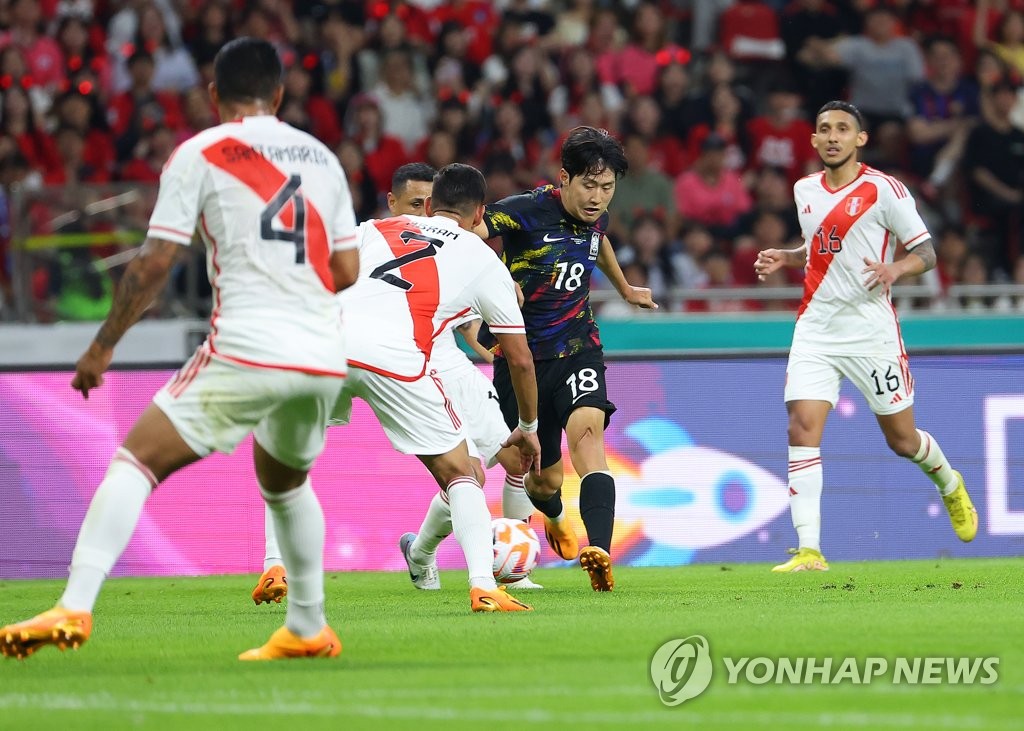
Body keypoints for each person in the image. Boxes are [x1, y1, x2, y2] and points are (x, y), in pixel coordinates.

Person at [0, 38, 361, 661]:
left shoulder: (200, 152)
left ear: (214, 95)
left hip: (248, 346)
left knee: (135, 461)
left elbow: (153, 264)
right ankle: (307, 627)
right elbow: (349, 268)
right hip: (324, 356)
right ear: (279, 95)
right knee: (288, 484)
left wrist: (102, 346)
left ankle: (75, 604)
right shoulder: (324, 158)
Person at [252, 163, 541, 601]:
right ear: (481, 214)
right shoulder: (484, 258)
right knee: (461, 473)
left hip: (324, 344)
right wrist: (529, 428)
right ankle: (484, 586)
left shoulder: (374, 228)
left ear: (429, 205)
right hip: (397, 356)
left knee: (290, 457)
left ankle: (274, 565)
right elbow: (519, 360)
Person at [754, 101, 978, 573]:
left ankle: (949, 483)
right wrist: (787, 257)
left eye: (842, 129)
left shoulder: (884, 190)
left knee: (902, 440)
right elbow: (821, 249)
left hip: (870, 332)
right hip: (816, 327)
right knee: (802, 426)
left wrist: (897, 266)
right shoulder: (804, 190)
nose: (832, 136)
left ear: (860, 140)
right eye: (823, 130)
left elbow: (927, 253)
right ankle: (809, 550)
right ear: (813, 141)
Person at [473, 126, 657, 592]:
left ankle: (598, 550)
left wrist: (625, 289)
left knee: (588, 434)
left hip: (579, 349)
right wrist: (495, 276)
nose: (598, 197)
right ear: (564, 179)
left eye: (608, 187)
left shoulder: (597, 218)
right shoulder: (525, 210)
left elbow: (599, 243)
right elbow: (467, 233)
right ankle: (553, 515)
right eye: (589, 185)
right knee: (541, 480)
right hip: (522, 360)